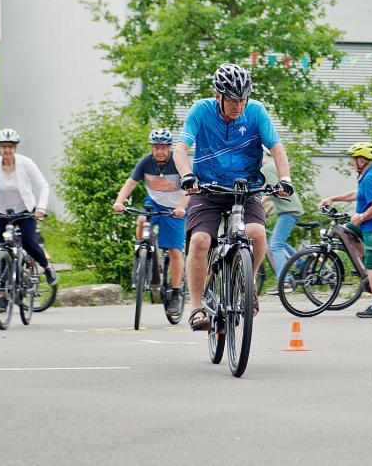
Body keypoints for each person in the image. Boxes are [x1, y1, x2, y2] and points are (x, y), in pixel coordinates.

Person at [173, 64, 294, 330]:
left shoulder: (256, 111)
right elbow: (180, 149)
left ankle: (246, 282)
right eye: (232, 100)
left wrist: (285, 179)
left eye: (243, 99)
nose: (238, 106)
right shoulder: (201, 110)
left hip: (246, 188)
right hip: (207, 189)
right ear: (218, 96)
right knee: (201, 241)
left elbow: (276, 148)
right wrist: (186, 176)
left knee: (257, 233)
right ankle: (196, 308)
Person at [0, 129, 58, 312]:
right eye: (4, 147)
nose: (7, 151)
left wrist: (41, 207)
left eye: (11, 147)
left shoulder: (26, 163)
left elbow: (43, 185)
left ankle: (47, 267)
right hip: (1, 212)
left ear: (16, 147)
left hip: (24, 211)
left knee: (29, 242)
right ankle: (3, 296)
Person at [112, 129, 188, 316]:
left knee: (175, 251)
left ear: (169, 148)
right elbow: (131, 182)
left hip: (175, 208)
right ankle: (142, 253)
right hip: (153, 203)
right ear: (152, 148)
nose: (159, 151)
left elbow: (189, 188)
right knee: (140, 221)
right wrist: (119, 201)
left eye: (163, 148)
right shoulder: (146, 162)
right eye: (156, 147)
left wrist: (181, 208)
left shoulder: (177, 162)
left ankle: (176, 293)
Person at [319, 142, 372, 318]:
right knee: (347, 230)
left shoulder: (370, 177)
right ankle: (365, 264)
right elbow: (357, 194)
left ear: (362, 160)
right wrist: (333, 198)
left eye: (353, 159)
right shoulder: (368, 174)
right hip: (370, 224)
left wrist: (361, 217)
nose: (352, 162)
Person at [260, 149, 304, 294]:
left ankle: (285, 281)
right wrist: (264, 210)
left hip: (289, 212)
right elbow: (275, 194)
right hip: (290, 210)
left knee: (275, 245)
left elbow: (275, 190)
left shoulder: (266, 168)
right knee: (279, 241)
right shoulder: (272, 166)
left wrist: (259, 203)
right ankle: (301, 263)